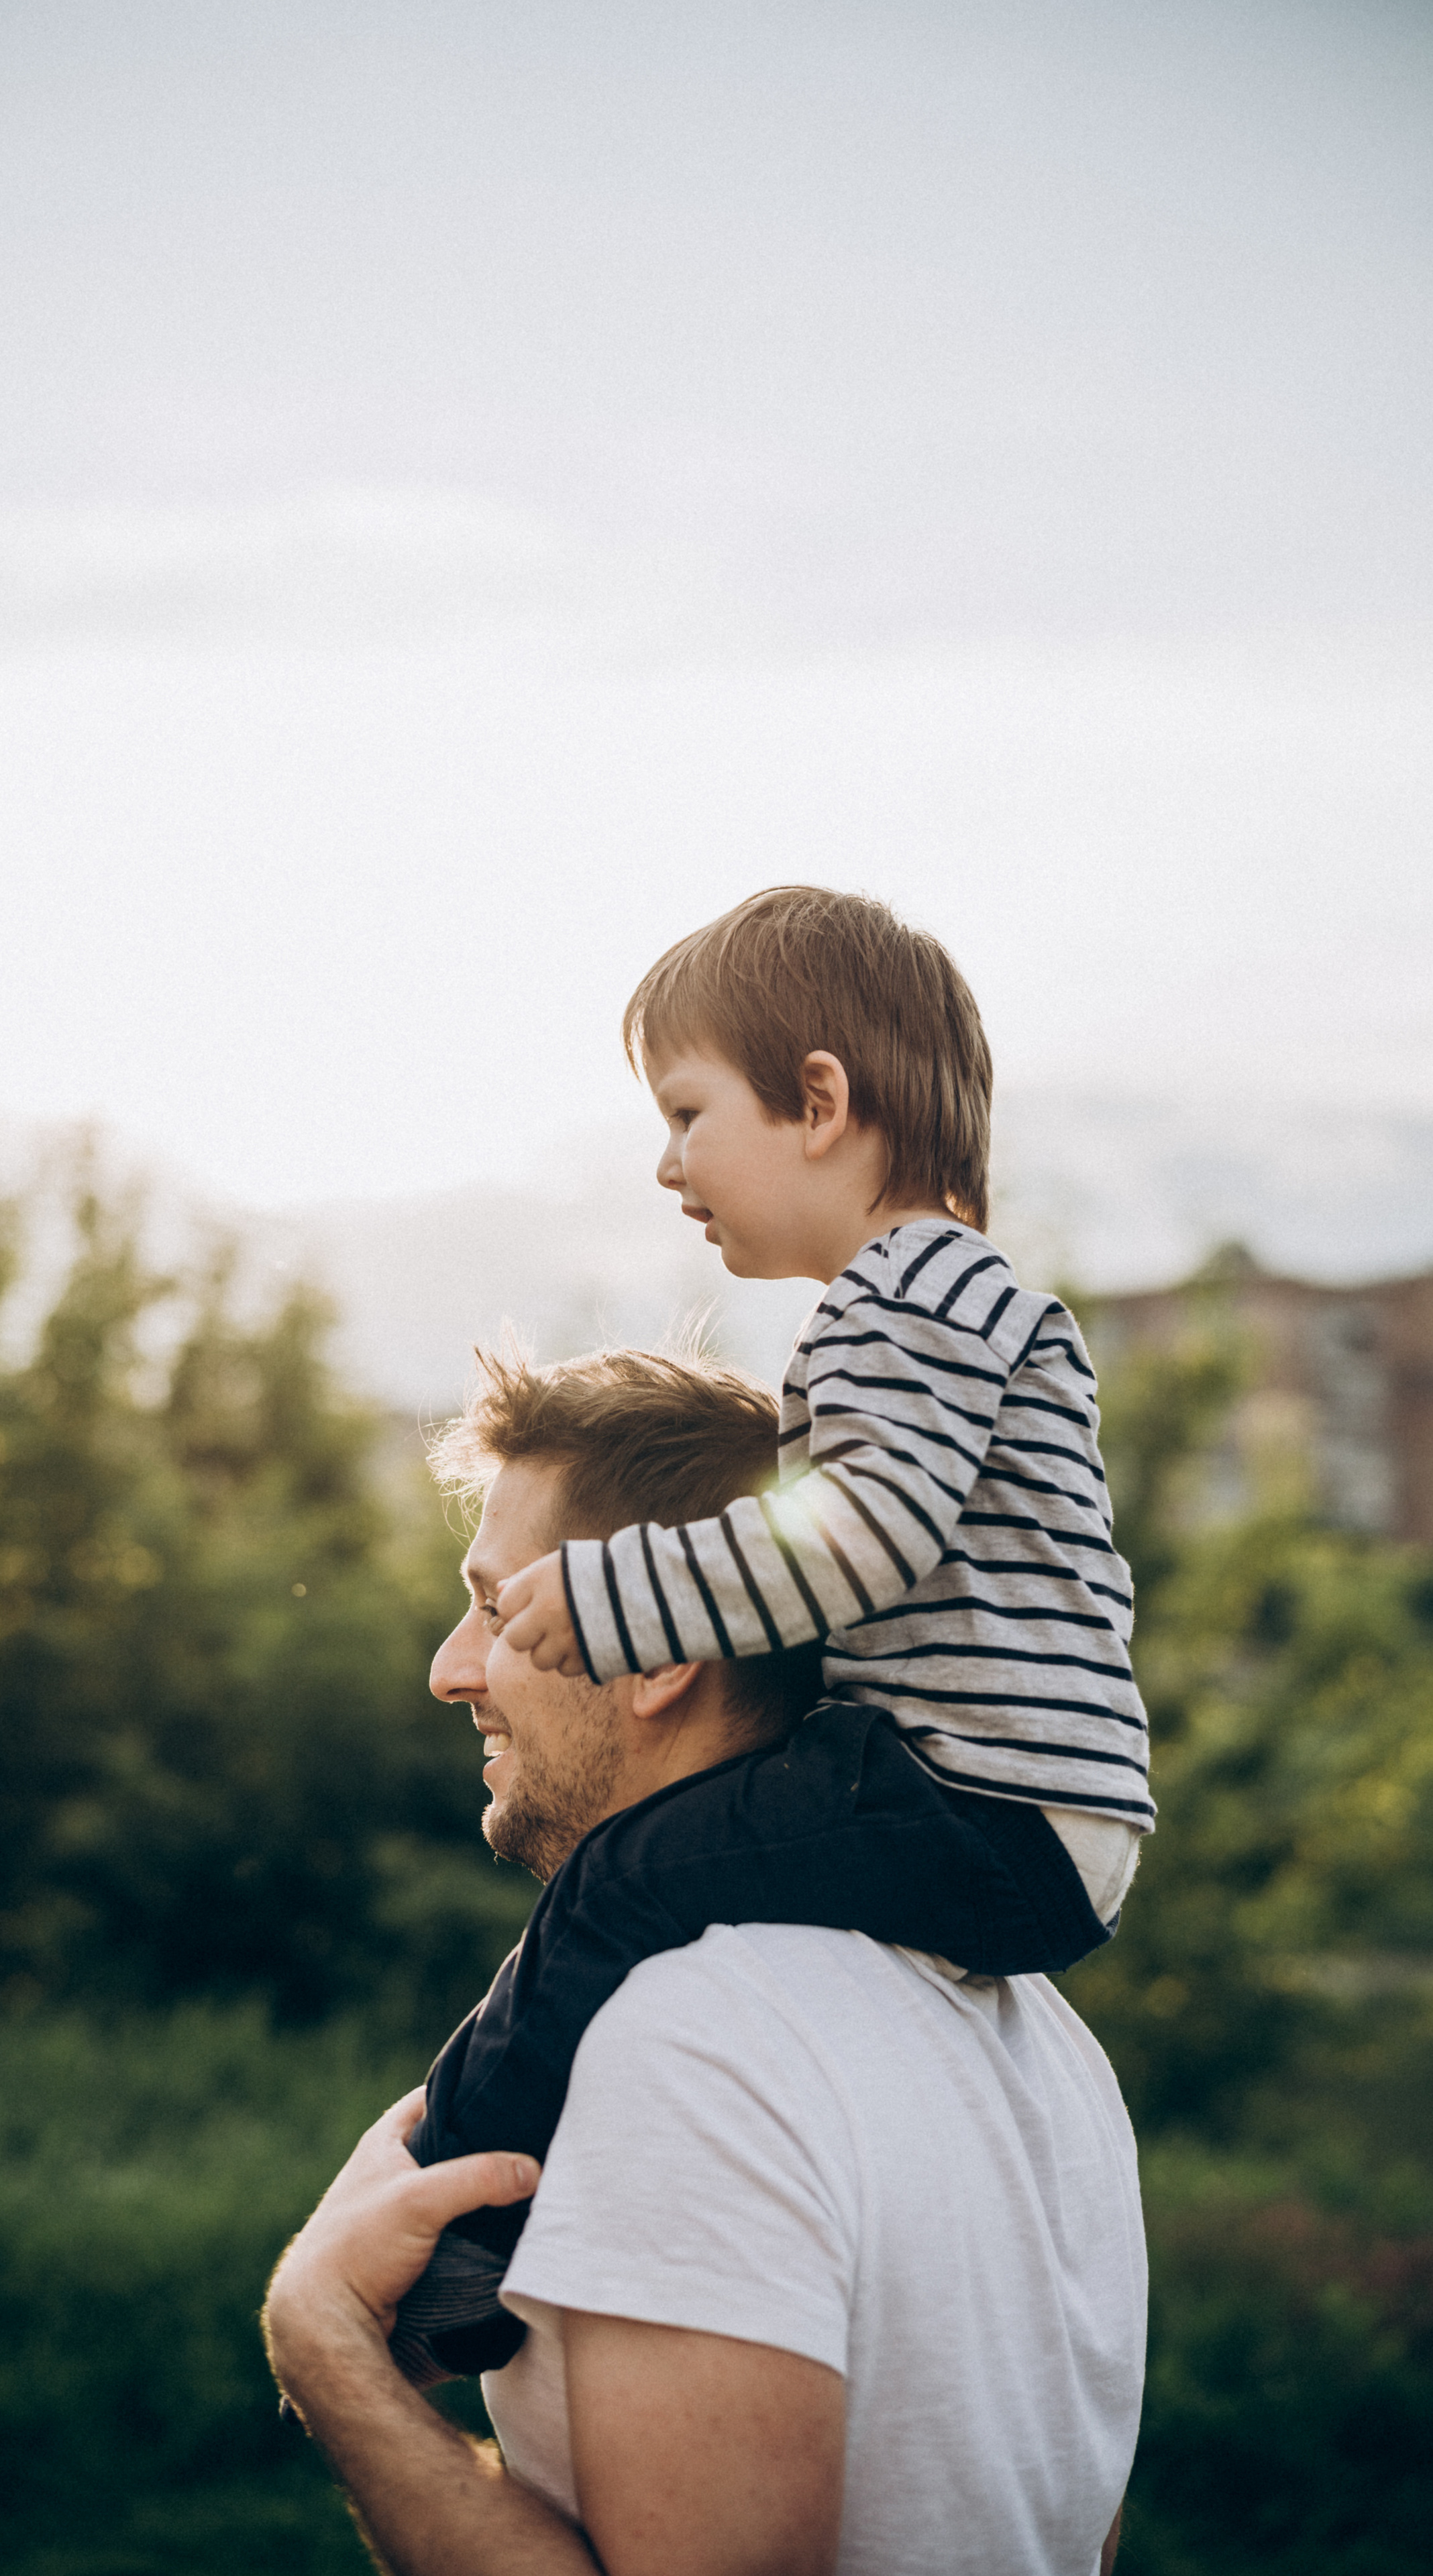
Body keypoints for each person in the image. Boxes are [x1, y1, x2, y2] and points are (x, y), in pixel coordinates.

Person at [399, 883, 1153, 2379]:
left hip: (976, 1802)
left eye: (686, 1115)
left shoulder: (899, 1300)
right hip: (1035, 1815)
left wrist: (619, 1595)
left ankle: (447, 2232)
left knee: (618, 1885)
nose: (666, 1165)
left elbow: (863, 1536)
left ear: (818, 1101)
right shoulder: (984, 1303)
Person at [262, 1346, 1146, 2575]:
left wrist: (325, 2340)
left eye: (495, 1604)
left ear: (662, 1650)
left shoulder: (682, 2042)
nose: (449, 1667)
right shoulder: (1046, 2042)